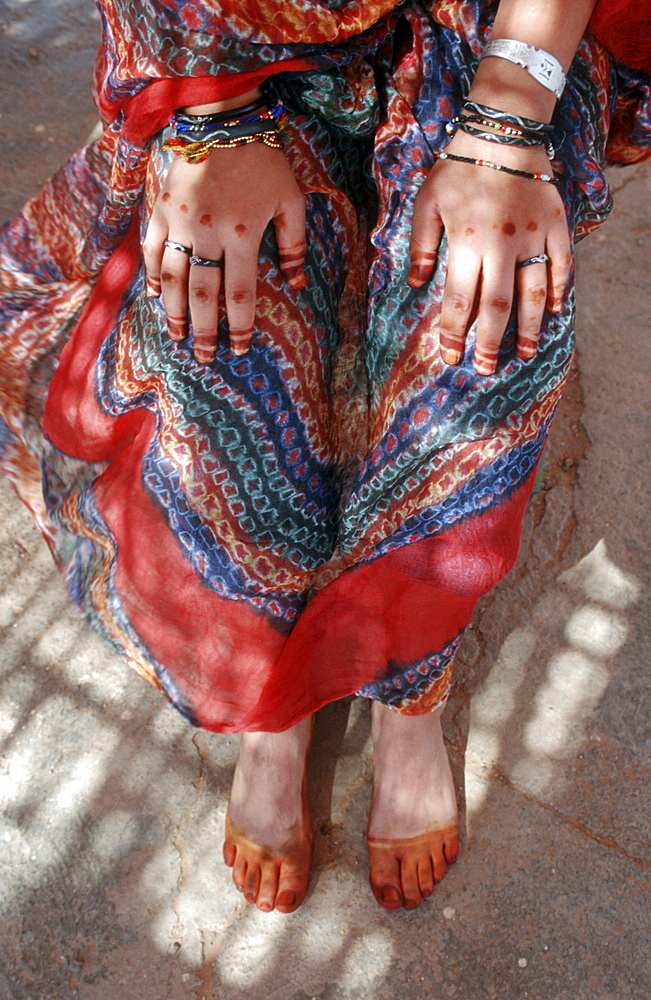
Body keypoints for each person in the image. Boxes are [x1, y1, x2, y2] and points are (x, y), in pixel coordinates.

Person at [0, 0, 649, 915]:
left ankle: (409, 691)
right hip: (224, 38)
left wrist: (507, 118)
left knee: (479, 333)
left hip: (494, 28)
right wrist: (211, 116)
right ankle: (276, 703)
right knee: (226, 338)